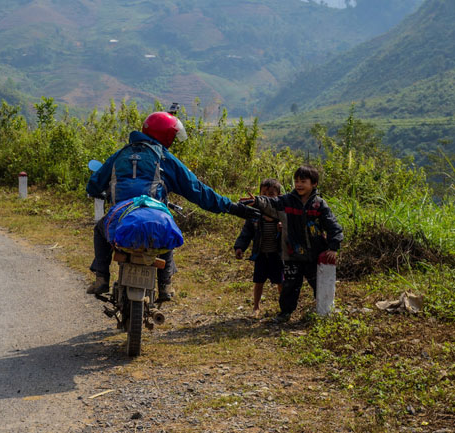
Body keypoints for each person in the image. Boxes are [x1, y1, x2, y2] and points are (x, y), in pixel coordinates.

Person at [86, 111, 258, 302]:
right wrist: (233, 208)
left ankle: (101, 278)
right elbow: (198, 190)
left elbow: (93, 185)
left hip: (121, 215)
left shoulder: (121, 154)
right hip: (154, 214)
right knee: (164, 228)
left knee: (100, 229)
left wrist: (101, 191)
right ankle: (165, 285)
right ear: (166, 135)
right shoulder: (164, 158)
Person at [242, 166, 343, 322]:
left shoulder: (319, 205)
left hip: (313, 255)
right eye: (296, 181)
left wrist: (333, 247)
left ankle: (325, 312)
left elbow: (333, 226)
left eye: (303, 181)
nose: (299, 185)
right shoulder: (287, 201)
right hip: (292, 254)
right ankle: (285, 313)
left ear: (314, 184)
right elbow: (271, 203)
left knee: (319, 285)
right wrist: (257, 201)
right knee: (289, 286)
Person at [234, 178, 284, 318]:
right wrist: (240, 247)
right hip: (261, 254)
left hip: (277, 254)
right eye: (264, 193)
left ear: (278, 196)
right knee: (259, 281)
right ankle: (256, 307)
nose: (267, 197)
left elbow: (292, 232)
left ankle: (284, 306)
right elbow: (246, 232)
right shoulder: (254, 214)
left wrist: (283, 229)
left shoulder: (281, 213)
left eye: (271, 194)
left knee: (280, 281)